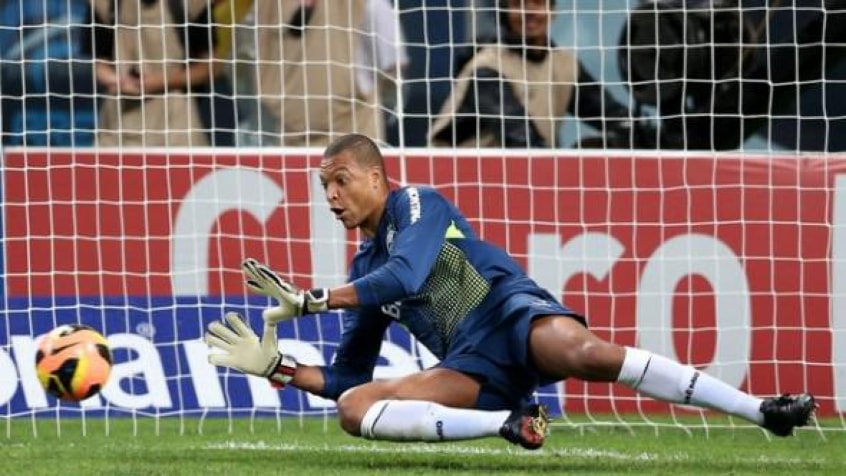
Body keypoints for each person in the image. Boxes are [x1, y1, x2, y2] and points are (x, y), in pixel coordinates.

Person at [205, 133, 816, 449]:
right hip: (470, 364)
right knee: (354, 409)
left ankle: (760, 411)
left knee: (586, 355)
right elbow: (348, 376)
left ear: (375, 177)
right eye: (323, 187)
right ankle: (509, 423)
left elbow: (409, 277)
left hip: (506, 311)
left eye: (340, 181)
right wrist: (279, 368)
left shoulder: (416, 204)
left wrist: (314, 299)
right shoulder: (368, 262)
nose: (332, 196)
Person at [428, 0, 652, 149]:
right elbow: (521, 141)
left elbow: (609, 113)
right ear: (505, 12)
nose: (529, 13)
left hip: (517, 180)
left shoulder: (563, 64)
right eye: (518, 4)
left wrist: (639, 134)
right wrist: (578, 156)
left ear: (552, 10)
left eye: (537, 2)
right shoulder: (487, 68)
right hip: (459, 185)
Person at [250, 0, 408, 147]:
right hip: (288, 141)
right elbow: (245, 66)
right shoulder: (266, 6)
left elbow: (394, 65)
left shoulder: (365, 4)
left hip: (354, 139)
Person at [87, 0, 216, 147]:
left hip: (176, 120)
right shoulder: (104, 5)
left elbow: (209, 68)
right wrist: (118, 81)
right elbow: (99, 63)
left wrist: (161, 82)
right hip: (120, 116)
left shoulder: (193, 5)